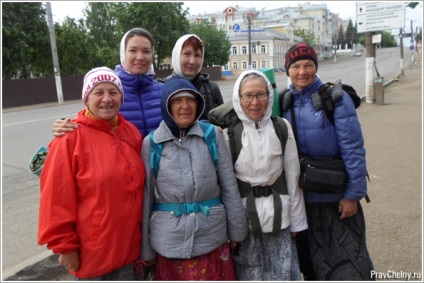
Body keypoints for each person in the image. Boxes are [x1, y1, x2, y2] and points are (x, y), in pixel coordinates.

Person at [38, 67, 146, 280]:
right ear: (86, 99)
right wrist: (65, 246)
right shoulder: (69, 138)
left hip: (131, 252)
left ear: (121, 98)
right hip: (94, 257)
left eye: (113, 92)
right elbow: (55, 199)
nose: (107, 99)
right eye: (99, 92)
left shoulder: (130, 133)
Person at [280, 42, 374, 280]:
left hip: (335, 200)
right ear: (287, 70)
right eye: (296, 66)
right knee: (311, 266)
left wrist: (352, 195)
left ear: (316, 66)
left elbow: (353, 149)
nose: (303, 72)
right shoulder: (284, 102)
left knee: (348, 266)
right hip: (303, 203)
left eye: (309, 65)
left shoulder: (335, 99)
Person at [140, 75, 248, 280]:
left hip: (212, 236)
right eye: (177, 101)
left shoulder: (211, 135)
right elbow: (147, 200)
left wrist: (236, 232)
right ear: (166, 106)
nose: (185, 106)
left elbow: (229, 187)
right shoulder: (152, 143)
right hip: (169, 242)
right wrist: (146, 248)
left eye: (191, 100)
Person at [208, 70, 308, 281]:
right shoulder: (228, 133)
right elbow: (226, 184)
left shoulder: (281, 127)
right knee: (250, 273)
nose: (255, 102)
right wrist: (231, 229)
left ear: (269, 96)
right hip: (245, 223)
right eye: (248, 96)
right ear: (239, 97)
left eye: (261, 94)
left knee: (281, 273)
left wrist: (297, 220)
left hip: (280, 218)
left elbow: (293, 175)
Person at [52, 27, 163, 138]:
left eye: (146, 51)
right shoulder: (110, 89)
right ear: (123, 53)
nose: (140, 57)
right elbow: (88, 120)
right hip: (122, 155)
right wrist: (64, 126)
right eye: (133, 50)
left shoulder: (164, 91)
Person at [163, 34, 224, 120]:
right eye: (187, 54)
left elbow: (222, 121)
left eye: (197, 55)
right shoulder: (163, 87)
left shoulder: (211, 88)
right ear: (177, 55)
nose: (192, 61)